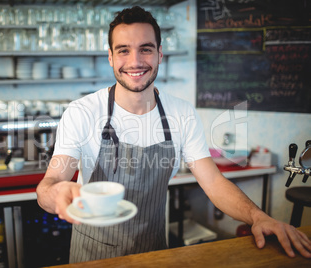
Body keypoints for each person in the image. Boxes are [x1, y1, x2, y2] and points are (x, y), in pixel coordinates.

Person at [36, 6, 311, 263]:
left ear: (159, 54)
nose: (135, 61)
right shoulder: (82, 112)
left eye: (145, 49)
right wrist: (57, 191)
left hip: (155, 252)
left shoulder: (181, 113)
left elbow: (213, 182)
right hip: (93, 257)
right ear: (110, 57)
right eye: (123, 51)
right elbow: (48, 186)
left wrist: (258, 216)